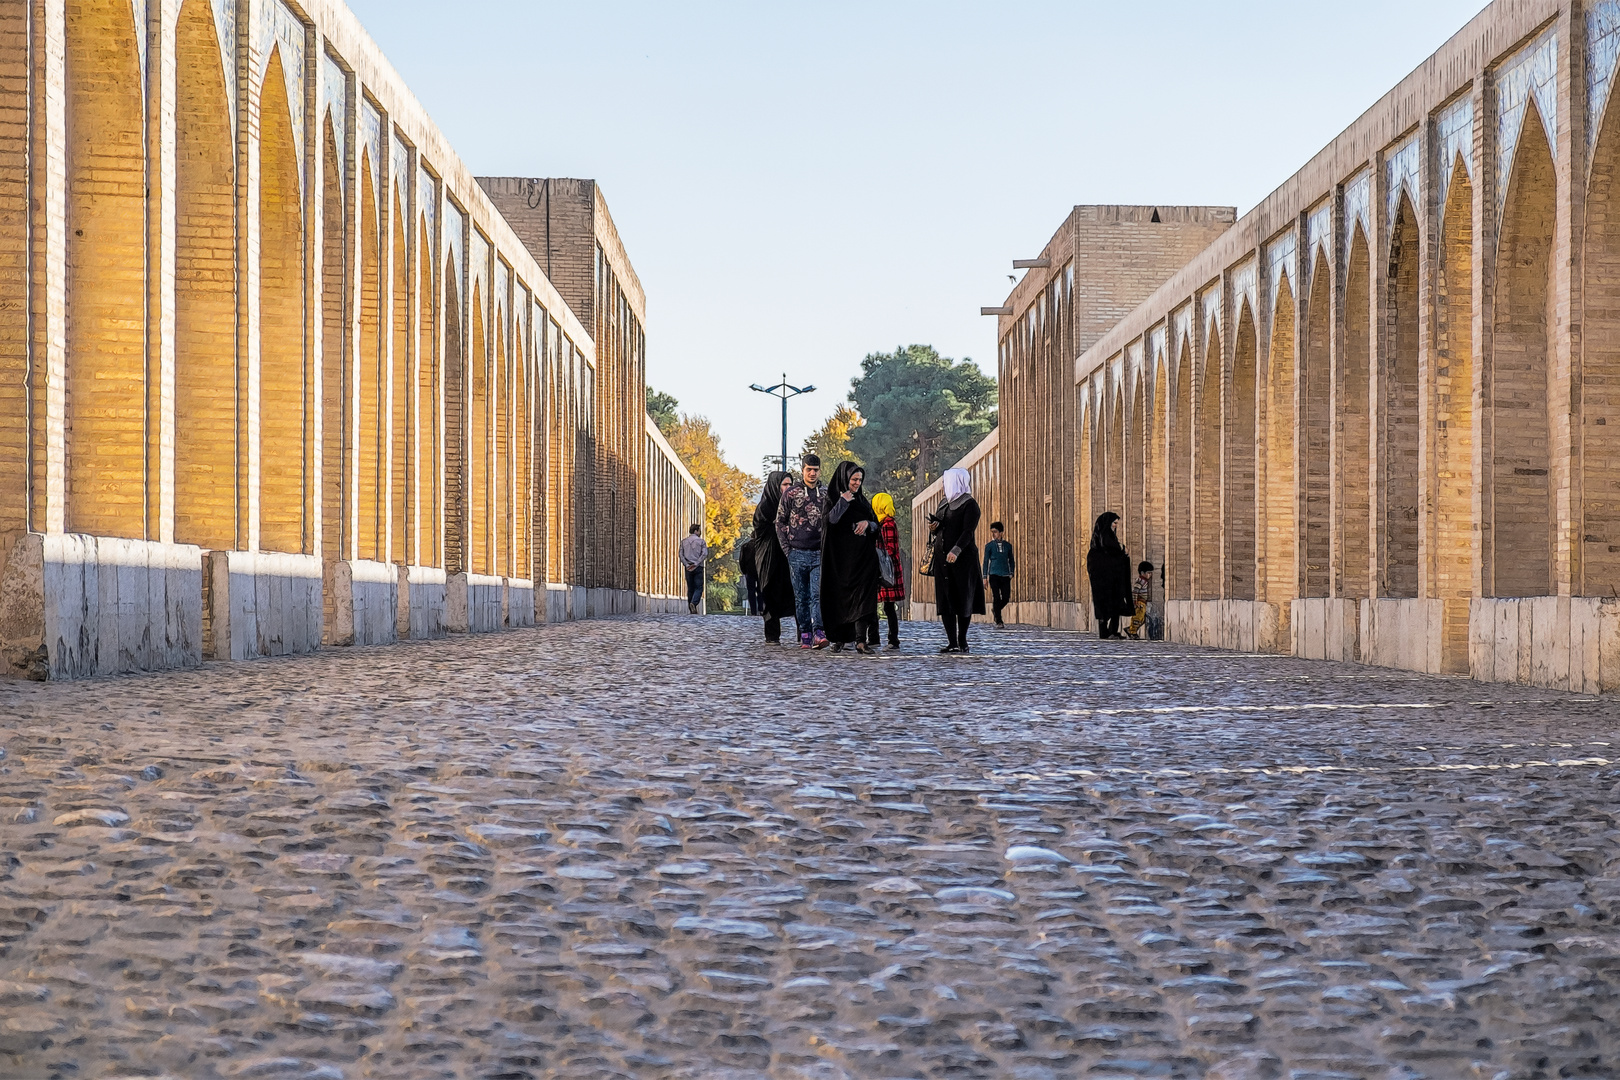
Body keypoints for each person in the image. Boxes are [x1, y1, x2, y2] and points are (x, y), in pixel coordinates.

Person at [820, 461, 880, 653]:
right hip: (840, 562)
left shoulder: (862, 500)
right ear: (845, 479)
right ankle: (839, 639)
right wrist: (843, 501)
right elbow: (830, 521)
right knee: (840, 599)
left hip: (863, 560)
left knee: (863, 599)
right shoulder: (832, 499)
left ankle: (861, 641)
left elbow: (876, 524)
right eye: (854, 479)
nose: (856, 484)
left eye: (860, 480)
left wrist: (867, 524)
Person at [775, 453, 829, 649]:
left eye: (815, 470)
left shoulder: (825, 493)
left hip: (819, 553)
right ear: (803, 469)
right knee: (801, 596)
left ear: (819, 470)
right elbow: (780, 521)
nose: (812, 473)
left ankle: (819, 632)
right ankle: (805, 632)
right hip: (796, 552)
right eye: (809, 470)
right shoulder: (791, 493)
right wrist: (787, 550)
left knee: (817, 594)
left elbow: (832, 520)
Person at [929, 467, 985, 653]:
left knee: (963, 599)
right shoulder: (944, 503)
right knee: (946, 599)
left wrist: (956, 550)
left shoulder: (970, 505)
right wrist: (934, 527)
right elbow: (940, 528)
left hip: (962, 561)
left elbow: (967, 531)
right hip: (942, 560)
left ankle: (962, 640)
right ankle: (951, 642)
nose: (944, 485)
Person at [749, 470, 796, 643]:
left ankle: (804, 634)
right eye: (784, 484)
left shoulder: (795, 505)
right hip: (769, 558)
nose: (788, 488)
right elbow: (762, 529)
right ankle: (772, 635)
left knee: (797, 594)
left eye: (790, 484)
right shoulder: (765, 508)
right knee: (770, 594)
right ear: (775, 486)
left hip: (789, 557)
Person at [1086, 512, 1133, 639]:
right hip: (1105, 581)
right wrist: (1122, 551)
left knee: (1115, 603)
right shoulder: (1103, 540)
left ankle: (1112, 630)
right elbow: (1111, 555)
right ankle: (1106, 630)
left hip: (1112, 579)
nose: (1115, 526)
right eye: (1114, 523)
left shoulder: (1106, 540)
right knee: (1106, 603)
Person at [870, 492, 905, 650]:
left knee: (888, 607)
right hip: (886, 567)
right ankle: (877, 637)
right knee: (884, 606)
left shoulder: (887, 523)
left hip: (886, 569)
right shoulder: (882, 522)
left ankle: (893, 639)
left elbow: (889, 549)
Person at [982, 521, 1015, 626]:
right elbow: (986, 561)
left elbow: (1011, 560)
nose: (993, 534)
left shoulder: (1008, 546)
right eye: (992, 532)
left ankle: (996, 610)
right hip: (994, 574)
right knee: (996, 597)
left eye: (995, 532)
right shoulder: (989, 546)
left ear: (1001, 533)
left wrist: (1011, 572)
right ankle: (999, 620)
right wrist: (985, 577)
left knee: (1005, 598)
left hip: (1005, 575)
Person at [680, 524, 708, 614]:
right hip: (698, 567)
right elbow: (704, 554)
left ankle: (691, 607)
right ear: (696, 531)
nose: (700, 532)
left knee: (690, 587)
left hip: (688, 567)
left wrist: (686, 564)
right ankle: (694, 603)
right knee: (699, 587)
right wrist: (697, 563)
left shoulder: (684, 542)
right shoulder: (701, 542)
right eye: (699, 530)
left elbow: (681, 554)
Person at [1126, 560, 1153, 639]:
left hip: (1143, 603)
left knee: (1142, 619)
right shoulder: (1140, 581)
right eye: (1148, 573)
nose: (1150, 575)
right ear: (1142, 573)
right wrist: (1135, 602)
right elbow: (1135, 592)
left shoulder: (1145, 581)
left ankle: (1130, 629)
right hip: (1139, 603)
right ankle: (1132, 632)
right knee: (1137, 618)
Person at [739, 540, 759, 616]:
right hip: (759, 571)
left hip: (749, 571)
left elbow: (741, 560)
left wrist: (744, 571)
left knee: (751, 592)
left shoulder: (745, 546)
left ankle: (753, 611)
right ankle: (761, 609)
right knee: (761, 591)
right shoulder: (760, 546)